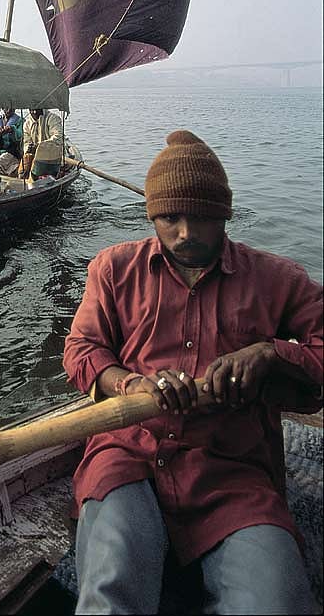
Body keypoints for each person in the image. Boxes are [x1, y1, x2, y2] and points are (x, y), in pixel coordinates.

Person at [63, 130, 322, 616]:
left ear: (224, 213)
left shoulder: (275, 278)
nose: (185, 232)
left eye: (201, 216)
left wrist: (269, 354)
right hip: (128, 454)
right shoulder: (113, 269)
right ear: (152, 217)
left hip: (232, 467)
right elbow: (82, 349)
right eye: (170, 218)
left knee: (275, 602)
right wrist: (131, 383)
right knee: (108, 590)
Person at [18, 107, 63, 178]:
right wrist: (29, 148)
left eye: (37, 109)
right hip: (34, 155)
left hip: (52, 153)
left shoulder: (53, 118)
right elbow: (26, 142)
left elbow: (58, 137)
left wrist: (40, 146)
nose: (34, 112)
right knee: (23, 171)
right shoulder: (27, 124)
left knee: (40, 171)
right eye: (32, 110)